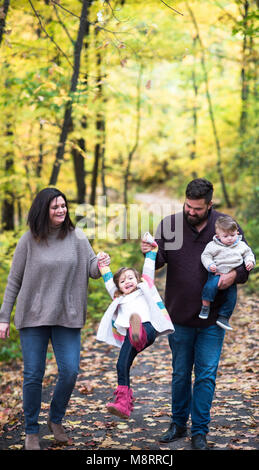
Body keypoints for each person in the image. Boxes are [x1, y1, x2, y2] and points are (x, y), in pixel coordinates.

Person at [141, 178, 252, 450]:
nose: (191, 212)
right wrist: (148, 252)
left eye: (197, 209)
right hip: (178, 316)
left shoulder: (227, 225)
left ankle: (199, 431)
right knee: (180, 373)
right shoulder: (170, 225)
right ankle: (178, 424)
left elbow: (246, 265)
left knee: (206, 374)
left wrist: (233, 276)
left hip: (213, 318)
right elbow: (156, 263)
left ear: (210, 205)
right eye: (188, 206)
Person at [0, 188, 109, 450]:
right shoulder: (29, 240)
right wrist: (4, 317)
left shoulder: (77, 237)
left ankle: (56, 419)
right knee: (33, 375)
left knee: (70, 372)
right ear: (43, 211)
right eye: (54, 207)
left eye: (63, 205)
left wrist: (101, 261)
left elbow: (92, 269)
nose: (61, 210)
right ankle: (30, 431)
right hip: (33, 316)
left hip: (67, 315)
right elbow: (14, 280)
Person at [96, 232, 174, 419]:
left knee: (137, 328)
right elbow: (107, 279)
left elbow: (149, 263)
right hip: (130, 336)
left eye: (130, 278)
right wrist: (102, 263)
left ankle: (137, 332)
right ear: (119, 287)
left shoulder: (144, 287)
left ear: (137, 278)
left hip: (149, 327)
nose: (127, 282)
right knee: (121, 364)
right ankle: (123, 404)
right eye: (122, 281)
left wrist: (151, 248)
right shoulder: (118, 297)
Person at [199, 215, 255, 330]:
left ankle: (224, 317)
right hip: (217, 272)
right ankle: (205, 306)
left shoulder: (241, 245)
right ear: (218, 236)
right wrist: (210, 265)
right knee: (210, 287)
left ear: (237, 232)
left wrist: (249, 261)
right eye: (225, 236)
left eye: (232, 235)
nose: (230, 238)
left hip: (232, 276)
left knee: (232, 297)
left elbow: (248, 254)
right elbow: (205, 256)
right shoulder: (213, 246)